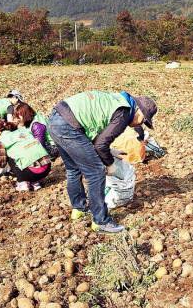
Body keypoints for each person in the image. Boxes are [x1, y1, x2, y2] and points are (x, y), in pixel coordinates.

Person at [48, 90, 157, 234]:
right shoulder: (124, 112)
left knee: (73, 169)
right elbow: (100, 144)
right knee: (96, 173)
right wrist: (110, 164)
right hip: (69, 126)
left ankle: (78, 209)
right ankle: (101, 222)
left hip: (55, 120)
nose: (141, 124)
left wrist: (110, 151)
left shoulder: (117, 100)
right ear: (138, 110)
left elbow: (92, 129)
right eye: (144, 120)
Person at [0, 117, 52, 191]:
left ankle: (23, 183)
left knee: (9, 157)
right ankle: (35, 182)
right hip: (47, 167)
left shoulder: (1, 140)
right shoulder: (21, 130)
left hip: (31, 173)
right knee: (24, 153)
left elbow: (2, 164)